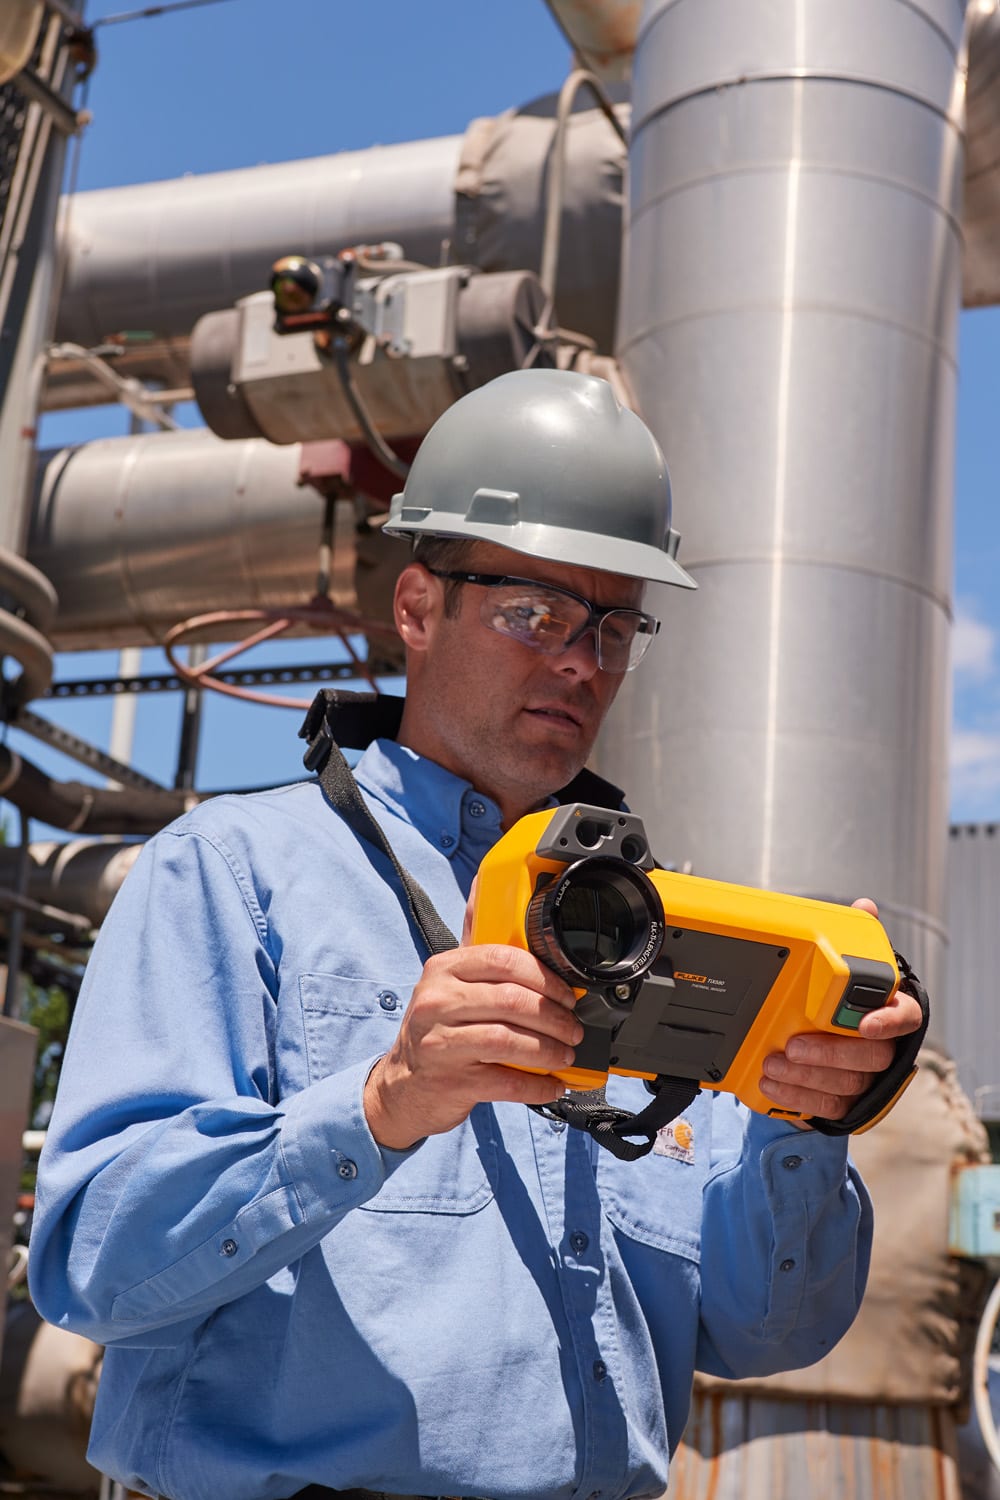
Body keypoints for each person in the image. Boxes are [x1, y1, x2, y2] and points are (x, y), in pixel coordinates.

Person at [29, 369, 924, 1500]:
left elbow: (764, 1335)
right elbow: (91, 1267)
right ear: (416, 609)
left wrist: (806, 1121)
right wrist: (382, 1103)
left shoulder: (666, 934)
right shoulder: (234, 872)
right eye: (533, 613)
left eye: (613, 625)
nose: (580, 659)